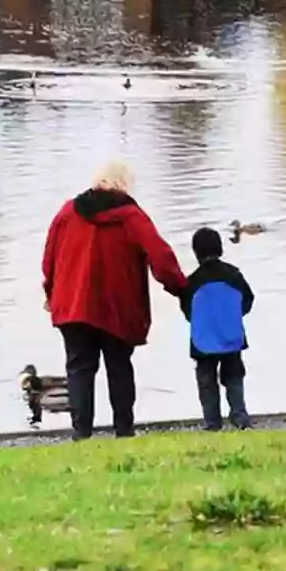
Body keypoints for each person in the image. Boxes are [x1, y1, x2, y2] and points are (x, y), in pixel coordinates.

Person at [42, 160, 187, 440]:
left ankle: (81, 433)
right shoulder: (131, 216)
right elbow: (160, 257)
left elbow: (49, 258)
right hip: (117, 307)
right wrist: (180, 288)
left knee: (79, 368)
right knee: (119, 368)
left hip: (73, 306)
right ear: (124, 184)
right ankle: (123, 430)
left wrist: (52, 292)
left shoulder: (67, 212)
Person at [179, 227, 254, 431]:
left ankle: (212, 422)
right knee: (234, 377)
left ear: (196, 252)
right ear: (220, 247)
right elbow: (248, 300)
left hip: (202, 340)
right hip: (231, 336)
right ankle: (240, 417)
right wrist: (232, 316)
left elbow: (187, 310)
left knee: (206, 381)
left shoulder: (192, 281)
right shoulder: (234, 275)